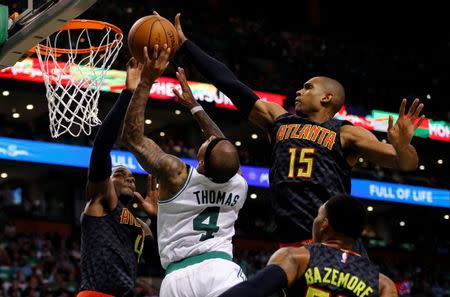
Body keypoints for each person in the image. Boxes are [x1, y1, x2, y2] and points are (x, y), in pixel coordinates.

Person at [174, 13, 425, 246]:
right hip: (289, 241)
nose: (299, 91)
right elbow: (231, 84)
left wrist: (403, 145)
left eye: (307, 87)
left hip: (331, 240)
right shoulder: (278, 119)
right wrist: (186, 45)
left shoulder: (347, 133)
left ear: (327, 98)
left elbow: (405, 164)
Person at [122, 45, 248, 297]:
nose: (210, 139)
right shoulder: (239, 185)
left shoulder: (177, 175)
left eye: (207, 144)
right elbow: (222, 149)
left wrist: (146, 81)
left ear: (201, 164)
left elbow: (133, 138)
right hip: (221, 270)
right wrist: (195, 107)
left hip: (178, 278)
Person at [78, 58, 158, 297]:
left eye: (132, 176)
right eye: (120, 173)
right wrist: (129, 93)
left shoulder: (134, 222)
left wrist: (158, 216)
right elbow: (102, 146)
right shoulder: (102, 199)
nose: (129, 178)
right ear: (108, 179)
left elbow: (158, 254)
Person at [219, 196, 398, 297]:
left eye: (318, 216)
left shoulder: (296, 258)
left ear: (324, 225)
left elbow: (251, 291)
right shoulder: (383, 284)